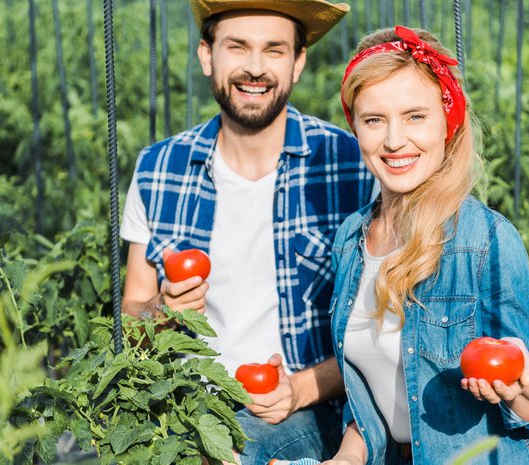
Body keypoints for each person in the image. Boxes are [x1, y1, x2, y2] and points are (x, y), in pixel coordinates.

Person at [119, 1, 375, 463]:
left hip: (306, 408)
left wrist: (299, 389)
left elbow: (381, 332)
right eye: (237, 47)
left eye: (274, 50)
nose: (255, 68)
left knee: (229, 449)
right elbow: (132, 310)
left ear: (298, 63)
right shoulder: (160, 169)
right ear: (207, 56)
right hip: (182, 403)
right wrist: (163, 309)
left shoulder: (349, 166)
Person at [317, 26, 529, 464]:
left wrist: (521, 384)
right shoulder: (350, 240)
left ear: (447, 122)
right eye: (374, 120)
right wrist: (347, 457)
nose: (394, 141)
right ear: (355, 126)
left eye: (415, 116)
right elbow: (377, 396)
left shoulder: (483, 240)